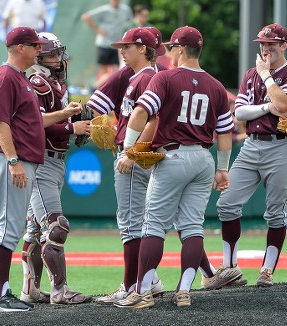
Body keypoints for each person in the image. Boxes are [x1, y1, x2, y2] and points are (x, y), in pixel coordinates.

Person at [114, 26, 234, 309]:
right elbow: (226, 132)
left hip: (174, 156)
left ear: (180, 49)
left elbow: (141, 112)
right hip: (203, 159)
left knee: (153, 226)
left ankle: (141, 292)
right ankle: (184, 291)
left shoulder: (166, 77)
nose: (167, 52)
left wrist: (129, 149)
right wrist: (223, 168)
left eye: (171, 47)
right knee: (193, 227)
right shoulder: (216, 86)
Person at [0, 26, 82, 313]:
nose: (39, 50)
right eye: (34, 45)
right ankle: (0, 296)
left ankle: (0, 292)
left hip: (25, 158)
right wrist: (13, 161)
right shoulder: (6, 76)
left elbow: (34, 121)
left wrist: (66, 116)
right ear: (19, 48)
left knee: (14, 228)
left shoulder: (19, 78)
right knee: (7, 228)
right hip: (11, 158)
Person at [215, 24, 287, 288]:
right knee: (227, 203)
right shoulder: (250, 74)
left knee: (276, 213)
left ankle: (267, 270)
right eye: (263, 44)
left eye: (272, 43)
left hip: (280, 146)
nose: (266, 48)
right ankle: (230, 267)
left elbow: (283, 104)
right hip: (252, 144)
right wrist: (267, 106)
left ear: (283, 45)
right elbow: (240, 113)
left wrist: (267, 77)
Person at [89, 27, 166, 305]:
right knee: (137, 222)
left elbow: (154, 121)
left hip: (134, 157)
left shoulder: (147, 77)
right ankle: (150, 281)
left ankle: (131, 286)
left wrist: (132, 153)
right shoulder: (139, 76)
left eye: (127, 47)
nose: (121, 51)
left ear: (144, 49)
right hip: (134, 155)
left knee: (132, 224)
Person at [19, 32, 90, 305]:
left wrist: (77, 119)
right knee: (56, 227)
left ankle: (30, 290)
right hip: (42, 161)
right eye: (51, 54)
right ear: (38, 57)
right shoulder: (38, 83)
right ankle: (60, 291)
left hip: (54, 160)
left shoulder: (54, 84)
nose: (58, 59)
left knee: (35, 231)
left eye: (58, 53)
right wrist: (72, 127)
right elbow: (36, 123)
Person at [81, 0, 133, 88]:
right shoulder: (104, 10)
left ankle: (106, 88)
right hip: (104, 43)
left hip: (117, 45)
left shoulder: (125, 10)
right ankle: (99, 89)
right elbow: (85, 17)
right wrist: (98, 30)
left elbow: (131, 22)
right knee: (103, 70)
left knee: (117, 69)